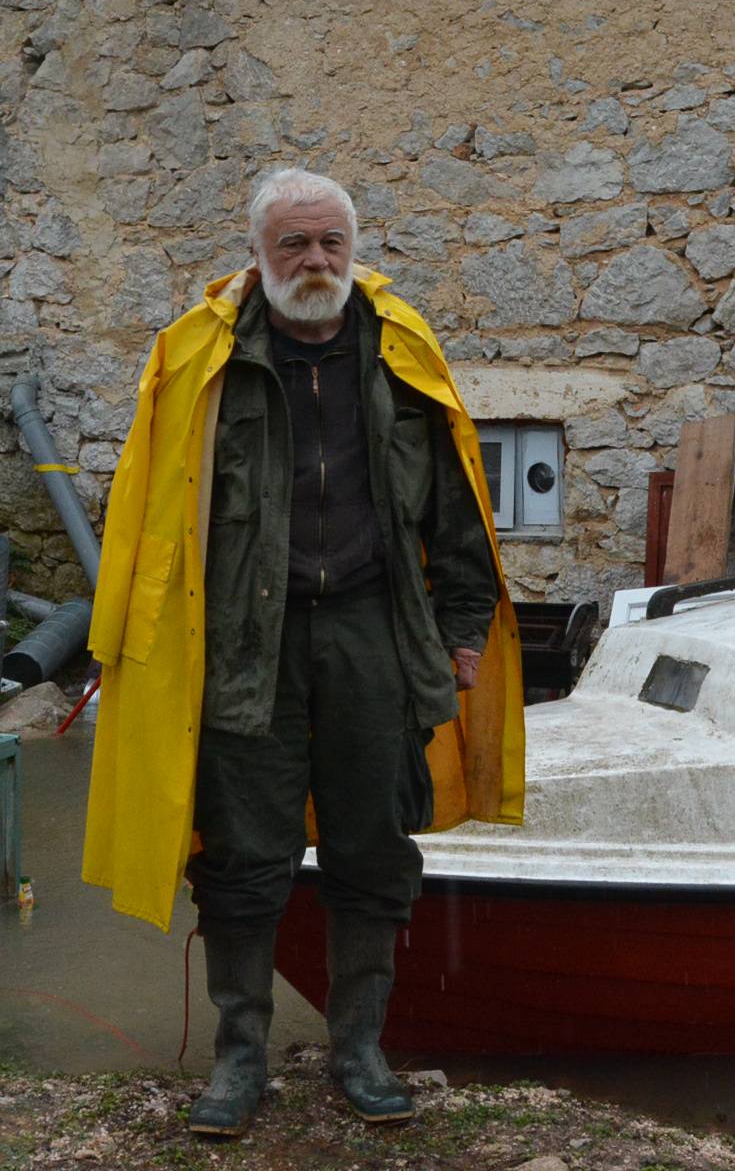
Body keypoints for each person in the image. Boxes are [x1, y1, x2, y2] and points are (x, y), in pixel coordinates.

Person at [83, 168, 525, 1137]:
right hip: (245, 641)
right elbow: (150, 517)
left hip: (374, 631)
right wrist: (144, 653)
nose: (315, 260)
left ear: (352, 246)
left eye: (330, 240)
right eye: (294, 243)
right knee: (243, 855)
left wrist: (459, 637)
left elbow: (458, 508)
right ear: (260, 252)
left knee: (373, 844)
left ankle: (359, 1048)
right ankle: (240, 1060)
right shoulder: (196, 357)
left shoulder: (402, 351)